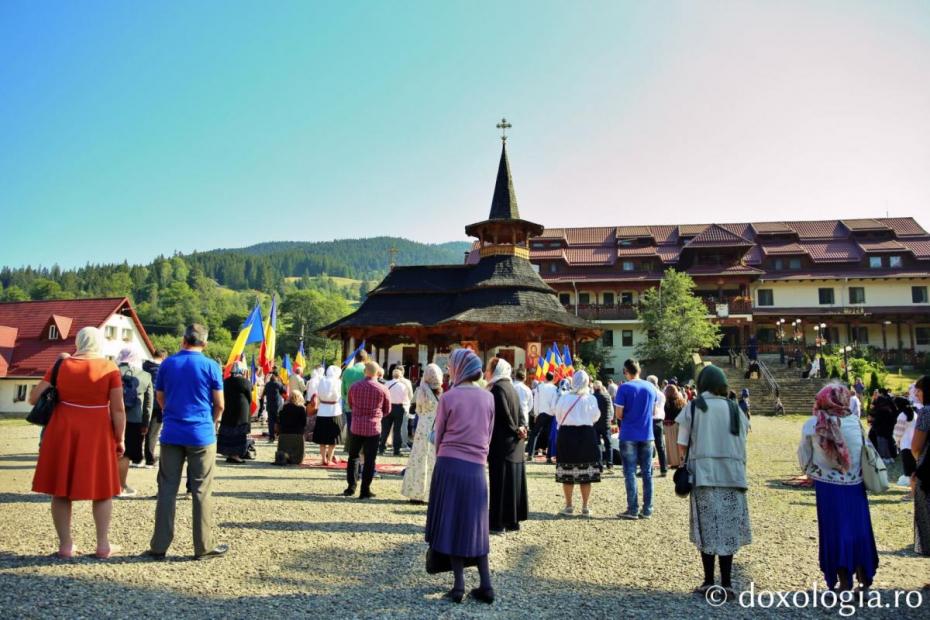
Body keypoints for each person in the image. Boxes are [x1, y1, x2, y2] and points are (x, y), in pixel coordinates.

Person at [31, 327, 125, 559]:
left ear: (79, 342)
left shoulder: (61, 365)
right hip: (97, 431)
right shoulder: (109, 367)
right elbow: (118, 409)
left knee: (61, 489)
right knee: (102, 490)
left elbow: (32, 398)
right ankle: (103, 546)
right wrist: (120, 437)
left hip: (62, 430)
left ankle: (66, 546)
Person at [147, 324, 227, 561]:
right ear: (205, 343)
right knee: (201, 490)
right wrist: (213, 422)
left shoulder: (168, 363)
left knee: (167, 489)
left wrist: (172, 412)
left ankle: (159, 546)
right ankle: (203, 546)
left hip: (172, 432)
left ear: (183, 340)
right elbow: (220, 403)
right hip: (201, 433)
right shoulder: (211, 366)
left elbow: (160, 397)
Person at [425, 348, 495, 604]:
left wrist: (440, 457)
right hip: (477, 467)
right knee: (477, 524)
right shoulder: (488, 398)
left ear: (457, 368)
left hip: (450, 463)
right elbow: (488, 434)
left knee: (453, 521)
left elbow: (439, 433)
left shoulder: (449, 397)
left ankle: (458, 586)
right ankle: (486, 584)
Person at [677, 365, 752, 599]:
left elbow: (682, 443)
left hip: (704, 474)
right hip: (732, 474)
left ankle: (709, 580)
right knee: (728, 530)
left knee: (707, 529)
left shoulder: (695, 407)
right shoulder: (735, 409)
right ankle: (727, 582)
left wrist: (683, 463)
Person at [798, 384, 878, 591]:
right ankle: (864, 579)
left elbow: (804, 456)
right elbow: (865, 451)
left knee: (835, 531)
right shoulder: (855, 422)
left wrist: (811, 471)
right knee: (858, 530)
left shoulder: (813, 425)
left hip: (828, 488)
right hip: (855, 486)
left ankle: (843, 582)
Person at [486, 358, 529, 533]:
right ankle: (513, 521)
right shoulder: (512, 387)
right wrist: (523, 429)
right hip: (516, 443)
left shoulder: (497, 389)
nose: (486, 371)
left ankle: (498, 523)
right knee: (514, 483)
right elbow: (520, 413)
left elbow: (503, 415)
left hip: (502, 442)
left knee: (500, 483)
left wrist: (515, 429)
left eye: (488, 368)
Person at [552, 370, 602, 516]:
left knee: (568, 470)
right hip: (586, 434)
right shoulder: (591, 399)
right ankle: (585, 506)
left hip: (567, 434)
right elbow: (596, 417)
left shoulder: (564, 398)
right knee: (586, 471)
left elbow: (558, 417)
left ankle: (568, 506)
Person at [614, 359, 656, 520]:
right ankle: (647, 509)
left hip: (629, 433)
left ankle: (632, 509)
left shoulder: (624, 388)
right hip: (647, 434)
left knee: (630, 472)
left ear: (626, 371)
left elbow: (619, 414)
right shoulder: (650, 387)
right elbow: (652, 411)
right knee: (647, 473)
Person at [344, 362, 391, 499]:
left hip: (357, 426)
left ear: (365, 371)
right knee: (370, 460)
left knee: (353, 457)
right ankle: (365, 490)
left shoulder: (354, 387)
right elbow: (387, 410)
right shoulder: (382, 389)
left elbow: (350, 404)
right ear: (377, 373)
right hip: (373, 428)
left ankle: (351, 487)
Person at [401, 363, 443, 504]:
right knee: (432, 459)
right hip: (435, 427)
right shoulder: (441, 392)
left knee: (419, 457)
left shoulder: (421, 391)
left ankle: (416, 493)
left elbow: (418, 410)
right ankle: (431, 493)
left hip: (423, 427)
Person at [116, 347, 153, 497]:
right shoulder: (145, 375)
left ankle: (103, 484)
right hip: (134, 420)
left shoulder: (112, 370)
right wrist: (146, 423)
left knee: (108, 453)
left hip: (110, 417)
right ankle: (121, 486)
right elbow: (148, 404)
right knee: (125, 454)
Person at [217, 361, 253, 464]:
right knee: (238, 433)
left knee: (229, 432)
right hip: (241, 411)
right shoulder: (245, 381)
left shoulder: (226, 381)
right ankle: (235, 456)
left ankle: (229, 454)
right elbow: (249, 397)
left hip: (228, 409)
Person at [911, 376, 930, 560]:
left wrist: (918, 463)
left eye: (919, 389)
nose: (917, 393)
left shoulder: (926, 412)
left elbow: (916, 447)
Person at [381, 366, 414, 456]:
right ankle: (396, 449)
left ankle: (381, 447)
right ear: (400, 376)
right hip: (399, 408)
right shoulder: (403, 386)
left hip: (388, 407)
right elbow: (407, 398)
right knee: (397, 430)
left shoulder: (387, 384)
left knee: (385, 429)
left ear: (392, 375)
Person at [313, 366, 343, 466]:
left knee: (322, 438)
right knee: (333, 439)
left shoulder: (322, 380)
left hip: (322, 410)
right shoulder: (338, 382)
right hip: (334, 410)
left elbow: (317, 392)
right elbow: (341, 394)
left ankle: (323, 459)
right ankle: (329, 459)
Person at [142, 349, 167, 467]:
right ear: (163, 357)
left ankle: (137, 457)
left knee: (142, 430)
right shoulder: (163, 369)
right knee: (153, 433)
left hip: (142, 403)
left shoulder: (144, 366)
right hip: (157, 404)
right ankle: (150, 459)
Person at [341, 350, 369, 451]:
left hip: (349, 406)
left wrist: (348, 401)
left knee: (350, 427)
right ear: (366, 359)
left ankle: (350, 447)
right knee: (364, 428)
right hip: (364, 406)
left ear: (356, 358)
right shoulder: (367, 371)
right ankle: (361, 448)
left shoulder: (347, 371)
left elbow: (342, 392)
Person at [528, 372, 558, 463]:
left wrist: (536, 414)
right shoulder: (555, 388)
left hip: (541, 413)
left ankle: (530, 454)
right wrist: (553, 412)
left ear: (545, 378)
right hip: (551, 414)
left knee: (534, 434)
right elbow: (554, 402)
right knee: (550, 435)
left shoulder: (539, 387)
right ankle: (549, 456)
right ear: (553, 379)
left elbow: (536, 401)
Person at [275, 391, 308, 465]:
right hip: (297, 434)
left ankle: (284, 457)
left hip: (284, 434)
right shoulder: (302, 409)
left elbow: (279, 421)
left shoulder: (284, 407)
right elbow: (304, 423)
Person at [868, 389, 898, 463]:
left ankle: (885, 457)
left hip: (881, 430)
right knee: (887, 443)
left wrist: (873, 422)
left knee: (882, 443)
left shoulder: (880, 410)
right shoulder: (888, 408)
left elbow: (877, 420)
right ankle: (889, 457)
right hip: (888, 429)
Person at [647, 375, 668, 477]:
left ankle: (648, 469)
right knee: (660, 446)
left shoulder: (649, 393)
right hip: (659, 420)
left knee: (648, 446)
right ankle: (663, 469)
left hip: (650, 420)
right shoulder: (661, 394)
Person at [663, 384, 686, 469]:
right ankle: (680, 461)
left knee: (670, 445)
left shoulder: (665, 403)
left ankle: (673, 462)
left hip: (667, 426)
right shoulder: (680, 402)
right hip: (677, 425)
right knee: (678, 444)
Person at [592, 380, 613, 471]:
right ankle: (610, 464)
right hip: (606, 423)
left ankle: (599, 466)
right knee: (608, 444)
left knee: (597, 444)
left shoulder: (592, 397)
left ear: (594, 388)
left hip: (595, 423)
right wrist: (610, 419)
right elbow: (611, 410)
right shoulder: (607, 396)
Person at [261, 374, 286, 443]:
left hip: (269, 406)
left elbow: (263, 395)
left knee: (271, 422)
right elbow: (284, 392)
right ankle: (279, 435)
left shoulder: (267, 385)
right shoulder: (278, 384)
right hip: (277, 406)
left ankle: (271, 437)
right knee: (279, 421)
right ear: (276, 379)